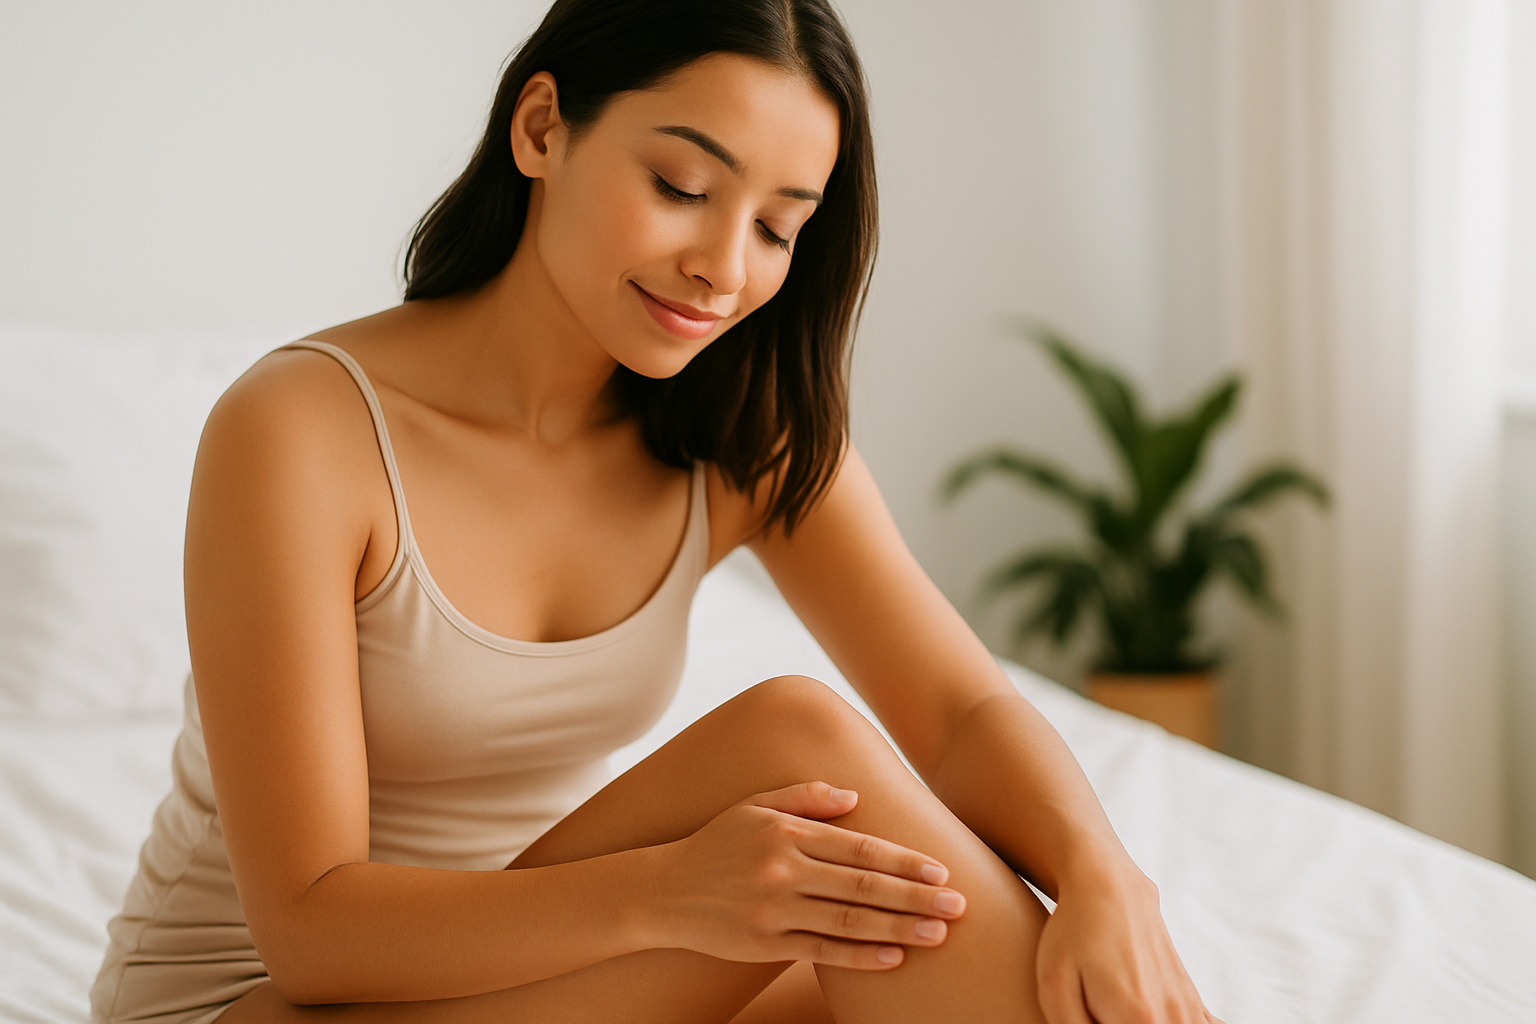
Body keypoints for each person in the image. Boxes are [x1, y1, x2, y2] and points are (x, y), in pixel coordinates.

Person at [92, 1, 1220, 1021]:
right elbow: (311, 932)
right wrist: (676, 892)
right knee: (802, 748)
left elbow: (958, 708)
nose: (723, 269)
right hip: (260, 999)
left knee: (886, 942)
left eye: (780, 227)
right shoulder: (301, 429)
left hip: (533, 974)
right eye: (683, 187)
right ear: (542, 129)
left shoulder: (736, 434)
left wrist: (1101, 873)